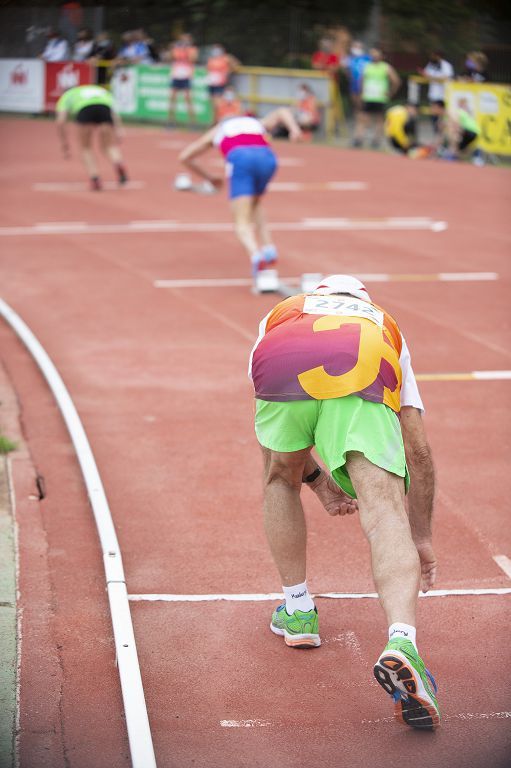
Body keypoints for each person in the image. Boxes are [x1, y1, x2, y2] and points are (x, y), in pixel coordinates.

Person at [249, 274, 440, 730]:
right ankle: (402, 640)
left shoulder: (278, 315)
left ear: (316, 296)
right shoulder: (382, 322)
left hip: (281, 362)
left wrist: (314, 482)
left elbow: (276, 451)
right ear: (362, 299)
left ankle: (297, 611)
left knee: (277, 479)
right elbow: (418, 449)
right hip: (362, 369)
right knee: (383, 510)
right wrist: (422, 538)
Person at [178, 108, 302, 290]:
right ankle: (268, 248)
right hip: (267, 157)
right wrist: (294, 129)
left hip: (241, 158)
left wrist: (209, 177)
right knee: (256, 203)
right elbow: (283, 111)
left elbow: (185, 157)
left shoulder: (219, 129)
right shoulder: (255, 122)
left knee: (240, 219)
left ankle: (255, 255)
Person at [55, 84, 129, 191]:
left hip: (85, 110)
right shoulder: (99, 90)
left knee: (86, 148)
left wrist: (64, 142)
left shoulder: (67, 95)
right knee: (108, 146)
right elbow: (114, 114)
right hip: (104, 108)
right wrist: (118, 129)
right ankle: (118, 163)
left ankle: (95, 178)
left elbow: (60, 121)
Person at [352, 48, 401, 149]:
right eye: (373, 55)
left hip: (380, 98)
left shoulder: (386, 67)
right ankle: (359, 138)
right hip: (367, 97)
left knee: (379, 119)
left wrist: (390, 93)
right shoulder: (367, 67)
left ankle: (376, 140)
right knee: (362, 117)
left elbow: (396, 81)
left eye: (377, 55)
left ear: (381, 56)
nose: (375, 57)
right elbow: (361, 81)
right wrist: (360, 94)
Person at [164, 33, 198, 125]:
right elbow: (171, 58)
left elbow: (193, 59)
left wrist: (187, 50)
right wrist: (172, 49)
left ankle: (192, 122)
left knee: (188, 99)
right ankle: (170, 121)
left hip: (186, 76)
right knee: (172, 98)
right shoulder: (176, 49)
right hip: (176, 75)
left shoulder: (192, 49)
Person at [418, 52, 454, 134]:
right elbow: (427, 75)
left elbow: (446, 77)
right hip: (433, 94)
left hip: (443, 95)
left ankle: (444, 134)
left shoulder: (446, 65)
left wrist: (432, 77)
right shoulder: (431, 64)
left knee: (442, 117)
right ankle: (437, 133)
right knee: (433, 116)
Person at [206, 44, 241, 120]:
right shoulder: (211, 59)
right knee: (214, 105)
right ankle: (215, 121)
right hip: (212, 83)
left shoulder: (226, 58)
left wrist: (229, 71)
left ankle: (217, 122)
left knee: (219, 104)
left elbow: (236, 65)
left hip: (221, 84)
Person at [341, 40, 371, 115]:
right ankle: (358, 120)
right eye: (355, 46)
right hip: (353, 84)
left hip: (365, 85)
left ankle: (364, 120)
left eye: (358, 47)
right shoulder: (349, 59)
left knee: (363, 104)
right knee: (355, 104)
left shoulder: (367, 58)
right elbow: (346, 73)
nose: (356, 49)